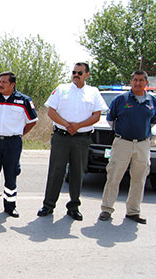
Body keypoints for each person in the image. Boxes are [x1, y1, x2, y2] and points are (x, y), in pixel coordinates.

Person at [38, 62, 107, 221]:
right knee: (56, 171)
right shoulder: (61, 89)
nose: (76, 75)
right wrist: (67, 125)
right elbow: (51, 112)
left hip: (81, 139)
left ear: (87, 75)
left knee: (77, 172)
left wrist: (78, 126)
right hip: (61, 137)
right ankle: (48, 205)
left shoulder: (93, 92)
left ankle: (74, 207)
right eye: (74, 72)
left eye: (80, 73)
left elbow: (96, 116)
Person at [98, 70, 156, 224]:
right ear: (131, 82)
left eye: (141, 80)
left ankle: (133, 211)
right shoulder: (120, 100)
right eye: (135, 80)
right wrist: (124, 133)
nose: (138, 83)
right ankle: (106, 209)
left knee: (139, 179)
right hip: (122, 143)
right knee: (113, 177)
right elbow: (111, 120)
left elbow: (152, 122)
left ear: (146, 83)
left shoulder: (152, 102)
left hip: (142, 144)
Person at [0, 72, 38, 218]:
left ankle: (10, 206)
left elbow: (32, 121)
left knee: (11, 174)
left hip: (12, 143)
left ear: (12, 84)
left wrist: (17, 133)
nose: (0, 84)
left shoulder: (23, 100)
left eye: (4, 82)